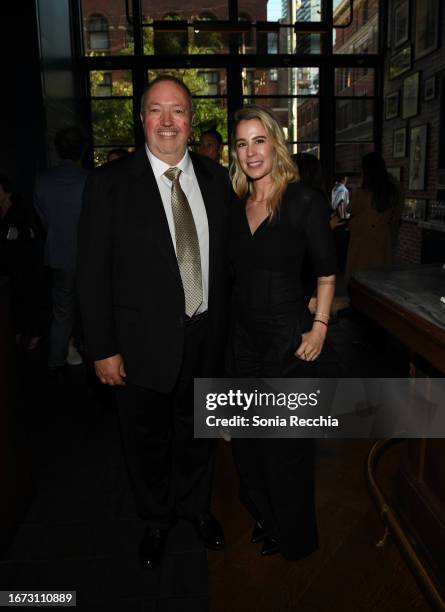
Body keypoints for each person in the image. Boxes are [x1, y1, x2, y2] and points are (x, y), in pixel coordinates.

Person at [77, 75, 231, 570]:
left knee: (199, 432)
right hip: (139, 343)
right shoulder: (108, 183)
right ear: (141, 119)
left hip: (206, 335)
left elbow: (230, 261)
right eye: (156, 111)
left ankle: (196, 508)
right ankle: (156, 519)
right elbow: (92, 273)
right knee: (145, 440)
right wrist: (101, 347)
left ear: (191, 120)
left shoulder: (215, 178)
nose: (167, 122)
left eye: (178, 111)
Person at [227, 105, 336, 560]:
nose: (251, 152)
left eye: (259, 140)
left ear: (275, 143)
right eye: (241, 143)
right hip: (242, 339)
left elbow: (327, 274)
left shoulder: (303, 200)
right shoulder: (235, 204)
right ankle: (264, 516)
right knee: (248, 440)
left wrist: (320, 327)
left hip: (287, 339)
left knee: (285, 445)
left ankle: (293, 534)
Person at [34, 126, 89, 371]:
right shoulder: (91, 179)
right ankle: (96, 360)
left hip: (59, 255)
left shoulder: (42, 181)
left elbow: (43, 219)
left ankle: (55, 362)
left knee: (62, 313)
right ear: (83, 150)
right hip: (90, 258)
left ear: (57, 150)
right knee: (92, 311)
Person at [345, 152, 402, 286]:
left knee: (359, 281)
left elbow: (350, 209)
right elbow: (396, 216)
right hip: (382, 240)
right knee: (379, 280)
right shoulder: (392, 192)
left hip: (362, 241)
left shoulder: (362, 193)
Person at [0, 173, 42, 348]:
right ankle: (16, 332)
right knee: (12, 300)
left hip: (23, 263)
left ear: (7, 191)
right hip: (6, 265)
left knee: (26, 298)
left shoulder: (20, 208)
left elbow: (31, 232)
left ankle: (34, 333)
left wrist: (17, 234)